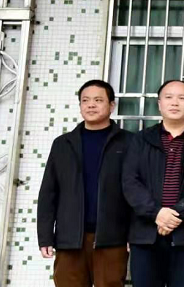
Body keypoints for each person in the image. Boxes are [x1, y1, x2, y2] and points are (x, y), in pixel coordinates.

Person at [37, 80, 134, 287]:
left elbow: (137, 190)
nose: (91, 105)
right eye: (85, 100)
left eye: (98, 100)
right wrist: (45, 237)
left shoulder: (129, 143)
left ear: (112, 105)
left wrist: (134, 232)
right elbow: (48, 193)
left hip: (112, 238)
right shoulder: (63, 144)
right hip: (70, 238)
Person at [122, 79, 184, 287]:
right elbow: (130, 181)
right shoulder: (141, 139)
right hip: (146, 233)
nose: (175, 102)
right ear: (159, 104)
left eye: (182, 98)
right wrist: (156, 213)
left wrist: (174, 214)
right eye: (168, 97)